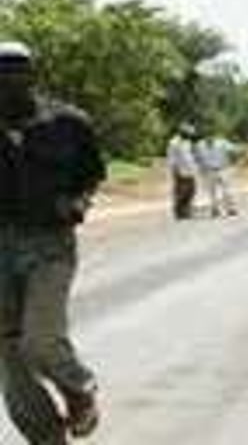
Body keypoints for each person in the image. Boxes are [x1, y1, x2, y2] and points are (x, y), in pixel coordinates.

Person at [0, 41, 105, 443]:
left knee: (41, 340)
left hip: (49, 244)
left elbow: (92, 174)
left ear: (32, 76)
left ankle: (79, 390)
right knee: (10, 357)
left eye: (16, 72)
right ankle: (46, 437)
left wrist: (77, 202)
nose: (7, 81)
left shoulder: (69, 123)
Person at [196, 133, 238, 218]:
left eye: (210, 135)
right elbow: (198, 158)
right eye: (207, 136)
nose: (209, 138)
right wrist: (201, 171)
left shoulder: (222, 143)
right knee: (212, 192)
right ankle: (215, 210)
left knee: (227, 191)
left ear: (213, 136)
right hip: (209, 171)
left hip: (222, 169)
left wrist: (233, 162)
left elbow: (234, 150)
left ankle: (231, 209)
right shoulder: (200, 145)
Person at [166, 123, 199, 220]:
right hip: (180, 171)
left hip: (190, 170)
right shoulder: (173, 142)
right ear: (182, 132)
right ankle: (179, 212)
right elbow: (171, 158)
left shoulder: (187, 142)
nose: (189, 135)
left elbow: (190, 156)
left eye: (190, 134)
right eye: (188, 133)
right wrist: (174, 171)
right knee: (181, 192)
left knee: (191, 191)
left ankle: (187, 210)